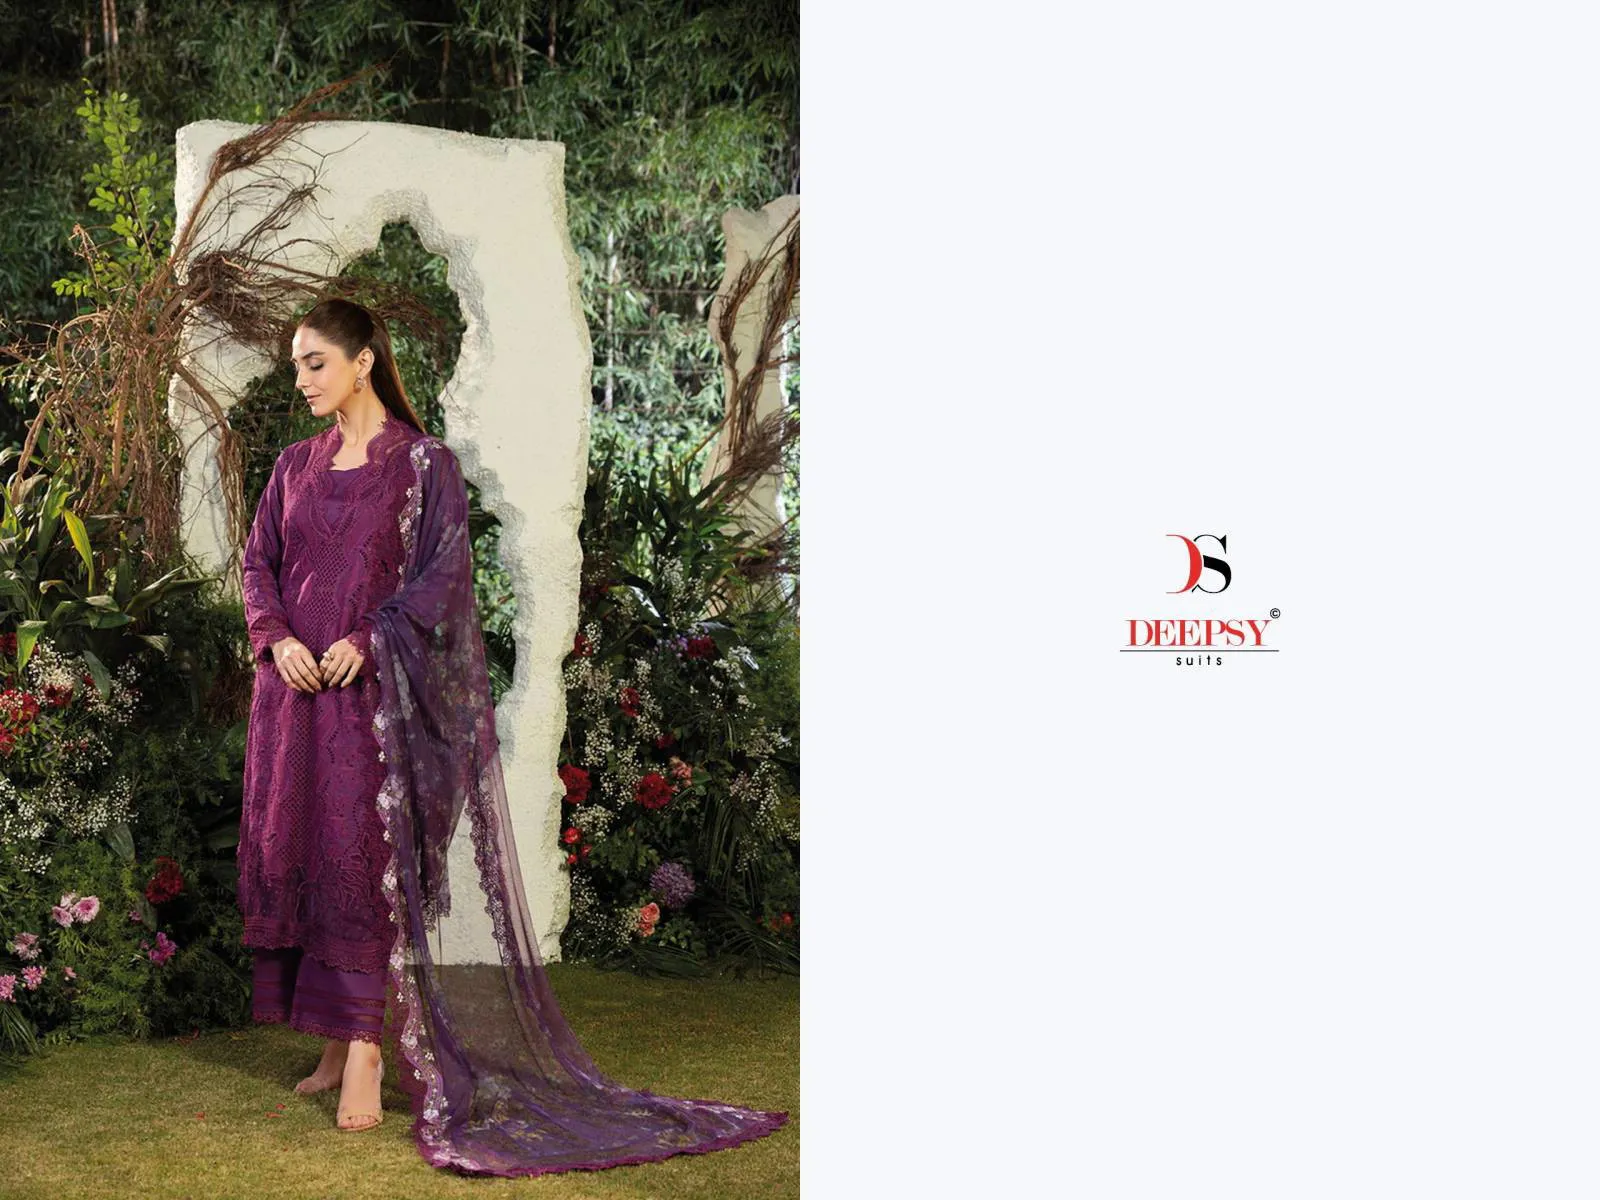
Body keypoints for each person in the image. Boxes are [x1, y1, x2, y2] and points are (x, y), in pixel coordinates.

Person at [238, 299, 788, 1171]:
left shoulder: (423, 466)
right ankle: (336, 1042)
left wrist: (364, 639)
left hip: (369, 703)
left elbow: (440, 581)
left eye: (315, 362)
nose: (301, 379)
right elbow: (258, 563)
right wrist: (278, 640)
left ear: (363, 361)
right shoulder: (294, 466)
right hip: (293, 699)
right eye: (296, 365)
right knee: (305, 855)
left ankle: (370, 1050)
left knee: (360, 863)